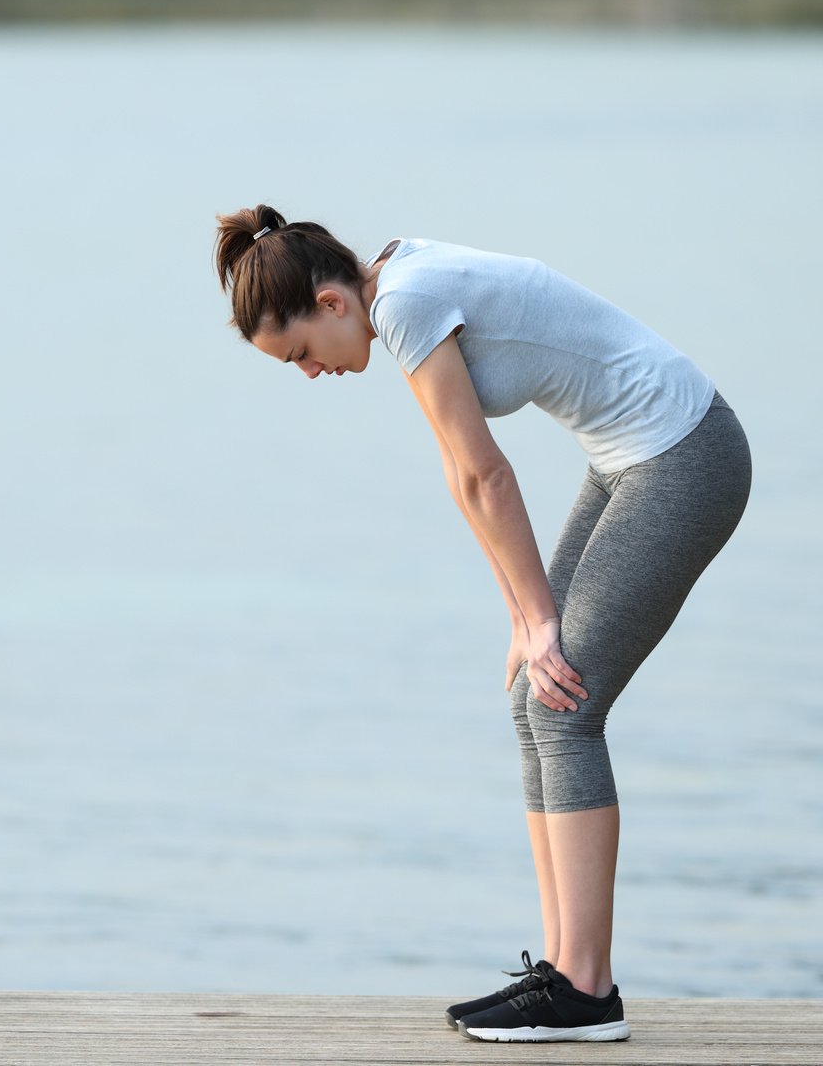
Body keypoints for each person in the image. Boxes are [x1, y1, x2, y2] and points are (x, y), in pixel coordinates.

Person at [212, 204, 751, 1043]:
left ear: (331, 304)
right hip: (627, 460)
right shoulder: (393, 284)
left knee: (564, 702)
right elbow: (464, 480)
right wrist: (520, 615)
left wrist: (542, 615)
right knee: (531, 695)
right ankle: (565, 969)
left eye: (302, 355)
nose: (312, 374)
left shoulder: (405, 302)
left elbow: (486, 476)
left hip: (683, 456)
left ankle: (585, 987)